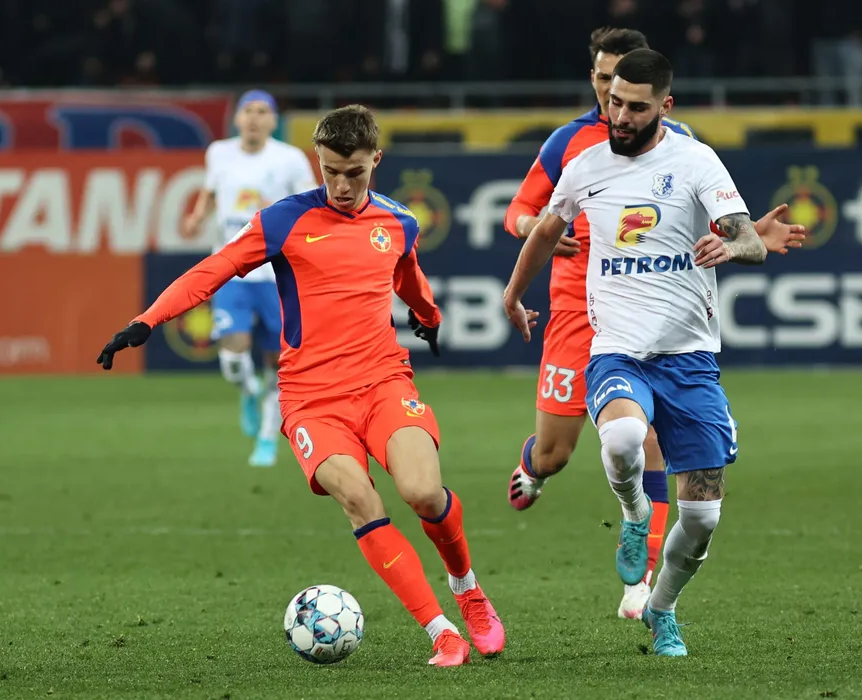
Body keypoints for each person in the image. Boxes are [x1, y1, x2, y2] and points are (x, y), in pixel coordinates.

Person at [99, 105, 504, 668]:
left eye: (354, 172)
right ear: (318, 160)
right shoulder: (282, 221)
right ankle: (441, 632)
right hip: (312, 400)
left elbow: (408, 277)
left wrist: (429, 317)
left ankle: (468, 591)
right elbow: (213, 269)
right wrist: (147, 319)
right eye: (330, 171)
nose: (341, 185)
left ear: (376, 160)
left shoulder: (398, 222)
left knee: (423, 493)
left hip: (383, 381)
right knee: (360, 500)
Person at [503, 27, 805, 620]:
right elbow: (523, 212)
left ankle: (640, 579)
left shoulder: (686, 147)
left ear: (660, 102)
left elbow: (706, 215)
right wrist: (530, 239)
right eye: (605, 85)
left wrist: (745, 239)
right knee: (559, 452)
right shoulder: (571, 147)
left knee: (644, 441)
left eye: (629, 98)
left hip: (658, 324)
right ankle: (534, 466)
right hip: (577, 311)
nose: (613, 104)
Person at [182, 89, 319, 468]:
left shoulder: (290, 159)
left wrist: (288, 223)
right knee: (232, 357)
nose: (254, 118)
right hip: (231, 268)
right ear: (237, 118)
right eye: (248, 111)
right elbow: (211, 191)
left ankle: (266, 440)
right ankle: (247, 390)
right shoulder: (218, 152)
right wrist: (197, 216)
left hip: (277, 274)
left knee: (279, 363)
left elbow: (311, 206)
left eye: (262, 111)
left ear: (273, 121)